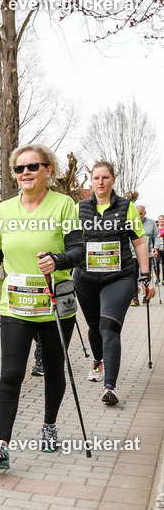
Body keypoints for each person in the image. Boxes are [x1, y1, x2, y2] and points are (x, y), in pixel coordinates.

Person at [0, 144, 84, 470]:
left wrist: (58, 259)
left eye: (33, 166)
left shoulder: (64, 205)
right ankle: (1, 447)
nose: (25, 173)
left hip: (54, 303)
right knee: (10, 375)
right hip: (16, 305)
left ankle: (49, 425)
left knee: (53, 367)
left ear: (48, 170)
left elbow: (78, 249)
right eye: (19, 168)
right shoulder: (4, 210)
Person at [75, 163, 153, 406]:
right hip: (86, 278)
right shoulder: (79, 209)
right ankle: (97, 359)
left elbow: (139, 243)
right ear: (90, 181)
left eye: (105, 177)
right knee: (94, 325)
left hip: (119, 277)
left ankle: (110, 386)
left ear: (113, 180)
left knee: (109, 326)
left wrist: (144, 274)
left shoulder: (126, 207)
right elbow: (70, 243)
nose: (100, 182)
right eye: (96, 178)